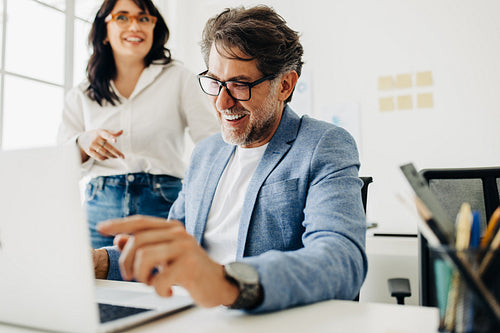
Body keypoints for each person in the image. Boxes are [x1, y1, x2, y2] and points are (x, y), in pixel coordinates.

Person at [94, 5, 367, 313]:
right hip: (191, 316)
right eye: (214, 82)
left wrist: (226, 281)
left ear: (285, 85)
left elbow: (342, 259)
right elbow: (170, 253)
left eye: (240, 84)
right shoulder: (205, 153)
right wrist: (100, 262)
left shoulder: (322, 144)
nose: (222, 102)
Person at [57, 0, 219, 248]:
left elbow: (212, 143)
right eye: (122, 17)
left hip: (164, 204)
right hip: (100, 209)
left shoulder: (178, 78)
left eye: (144, 18)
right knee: (95, 284)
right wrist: (83, 142)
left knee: (163, 285)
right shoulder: (82, 93)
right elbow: (59, 164)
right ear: (104, 31)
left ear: (154, 27)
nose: (135, 26)